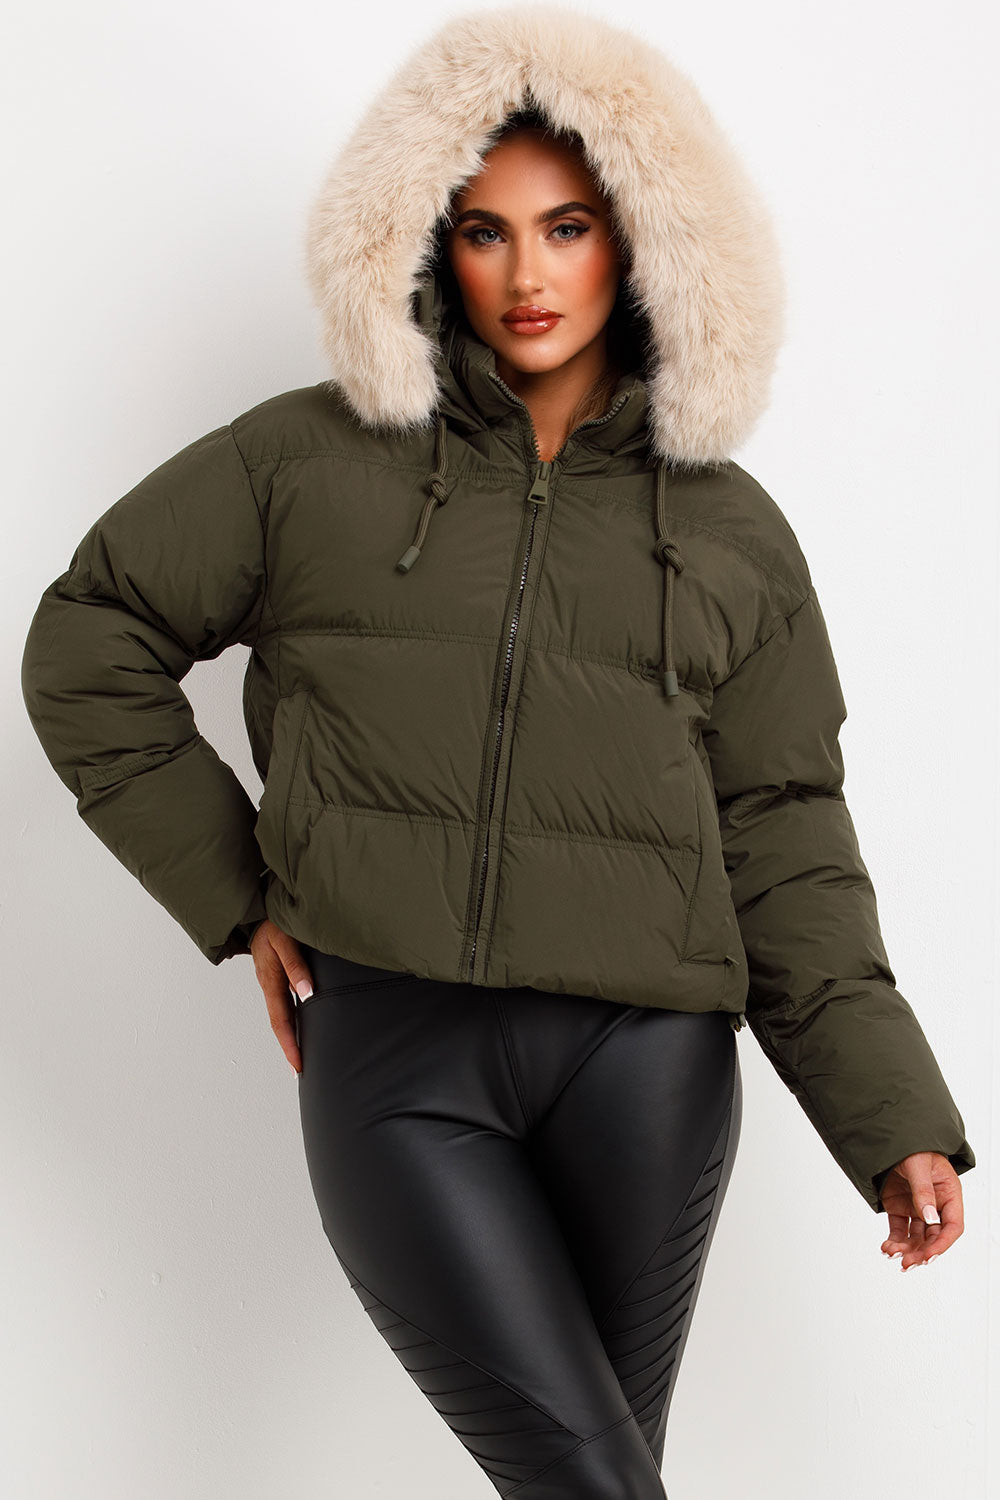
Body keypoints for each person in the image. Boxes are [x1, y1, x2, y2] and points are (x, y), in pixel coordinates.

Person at [20, 5, 976, 1496]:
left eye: (568, 227)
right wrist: (241, 896)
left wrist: (892, 1115)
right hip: (396, 1058)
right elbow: (90, 639)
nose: (528, 276)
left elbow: (784, 830)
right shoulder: (306, 461)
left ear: (643, 237)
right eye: (485, 232)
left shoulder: (728, 528)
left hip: (647, 1070)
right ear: (427, 242)